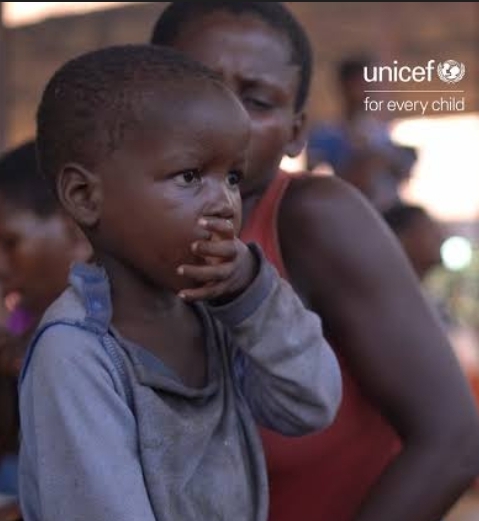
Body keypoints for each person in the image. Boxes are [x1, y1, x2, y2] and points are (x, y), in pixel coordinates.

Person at [150, 2, 479, 521]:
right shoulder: (115, 238)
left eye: (257, 101)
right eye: (196, 90)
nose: (225, 119)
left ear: (295, 132)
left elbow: (454, 441)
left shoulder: (313, 219)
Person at [17, 43, 342, 521]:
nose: (224, 203)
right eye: (190, 176)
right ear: (85, 196)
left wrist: (253, 295)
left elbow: (309, 405)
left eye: (232, 178)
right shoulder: (75, 354)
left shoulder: (216, 318)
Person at [0, 140, 91, 498]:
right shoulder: (23, 321)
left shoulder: (114, 332)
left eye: (10, 243)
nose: (1, 267)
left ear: (76, 231)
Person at [306, 54, 417, 211]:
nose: (368, 91)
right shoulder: (326, 134)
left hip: (388, 212)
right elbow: (310, 177)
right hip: (349, 209)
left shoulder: (381, 132)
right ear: (345, 86)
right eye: (361, 84)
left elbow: (403, 173)